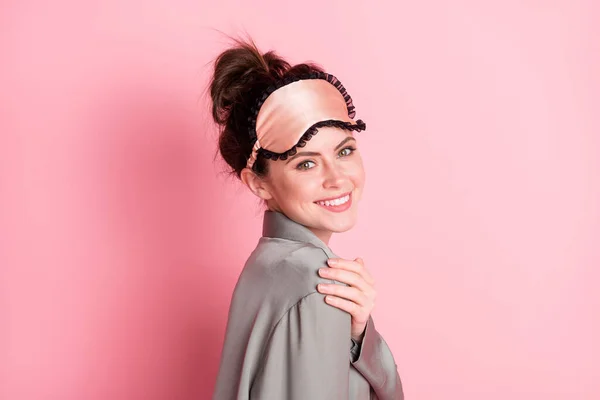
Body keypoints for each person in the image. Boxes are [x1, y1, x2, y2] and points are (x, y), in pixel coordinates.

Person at [209, 38, 404, 400]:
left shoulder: (269, 265)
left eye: (344, 151)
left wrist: (358, 336)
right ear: (258, 182)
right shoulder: (318, 283)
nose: (337, 178)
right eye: (307, 163)